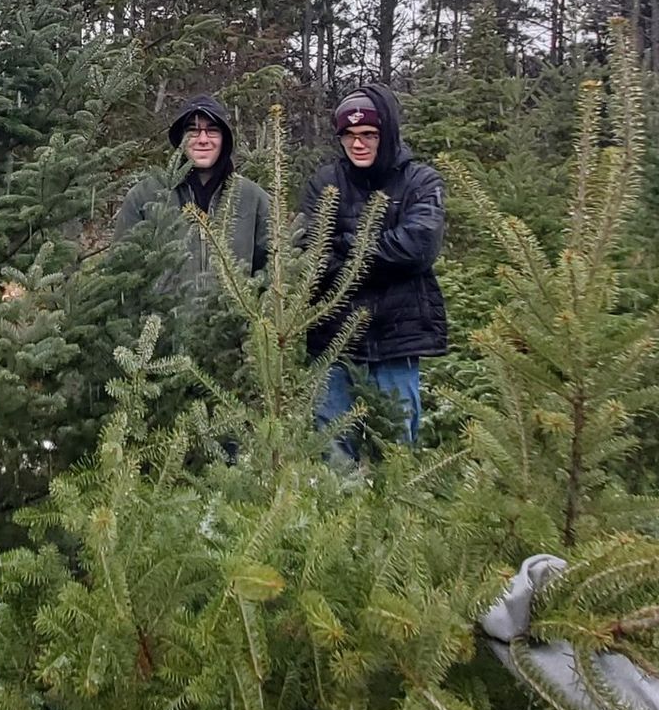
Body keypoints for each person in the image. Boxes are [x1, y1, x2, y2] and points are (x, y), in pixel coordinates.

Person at [298, 85, 447, 447]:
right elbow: (312, 254)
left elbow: (418, 248)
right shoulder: (325, 183)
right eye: (348, 135)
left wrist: (348, 247)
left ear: (388, 134)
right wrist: (384, 255)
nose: (358, 143)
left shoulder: (420, 181)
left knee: (396, 449)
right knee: (332, 451)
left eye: (369, 134)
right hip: (333, 339)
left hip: (398, 338)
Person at [114, 94, 271, 279]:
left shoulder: (253, 199)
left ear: (225, 140)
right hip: (165, 309)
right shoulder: (146, 196)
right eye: (193, 131)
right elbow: (121, 271)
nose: (203, 139)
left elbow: (274, 273)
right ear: (180, 138)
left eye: (212, 131)